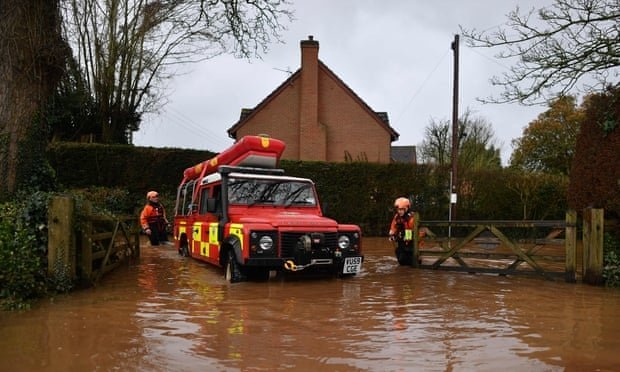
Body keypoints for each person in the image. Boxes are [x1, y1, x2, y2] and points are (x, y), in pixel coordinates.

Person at [389, 197, 415, 265]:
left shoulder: (411, 218)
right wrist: (392, 235)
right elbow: (393, 226)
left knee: (406, 258)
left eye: (401, 210)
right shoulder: (397, 217)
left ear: (406, 208)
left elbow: (411, 231)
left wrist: (406, 238)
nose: (399, 211)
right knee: (398, 253)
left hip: (411, 243)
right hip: (402, 241)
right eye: (398, 210)